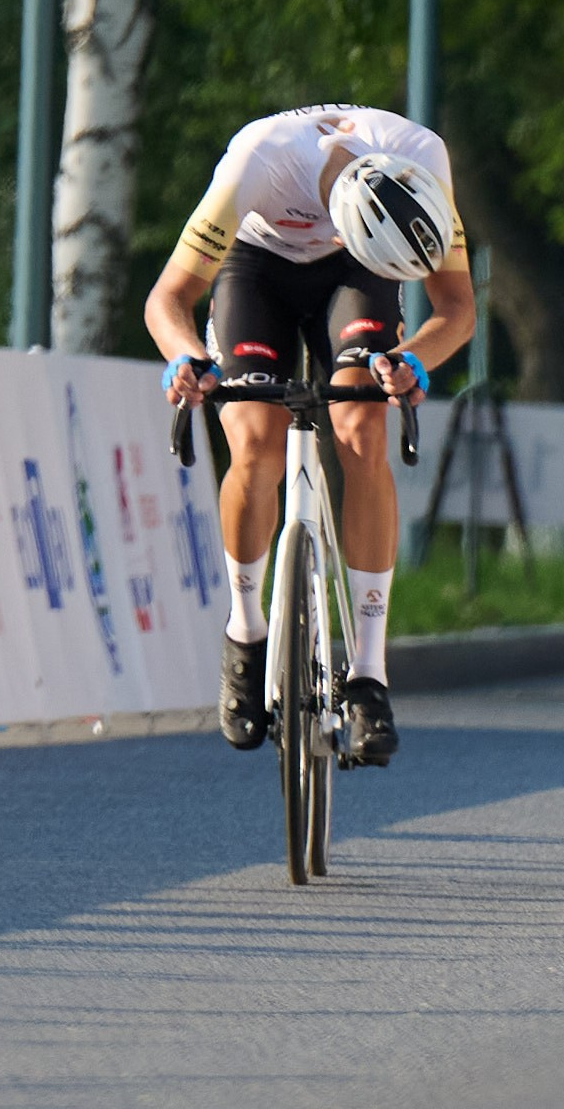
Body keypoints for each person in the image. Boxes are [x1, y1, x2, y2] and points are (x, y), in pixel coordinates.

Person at [145, 104, 473, 767]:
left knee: (361, 425)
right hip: (255, 265)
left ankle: (369, 677)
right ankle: (245, 629)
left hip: (361, 272)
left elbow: (458, 308)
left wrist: (411, 363)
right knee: (257, 440)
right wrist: (186, 359)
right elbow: (167, 299)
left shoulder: (423, 161)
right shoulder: (258, 162)